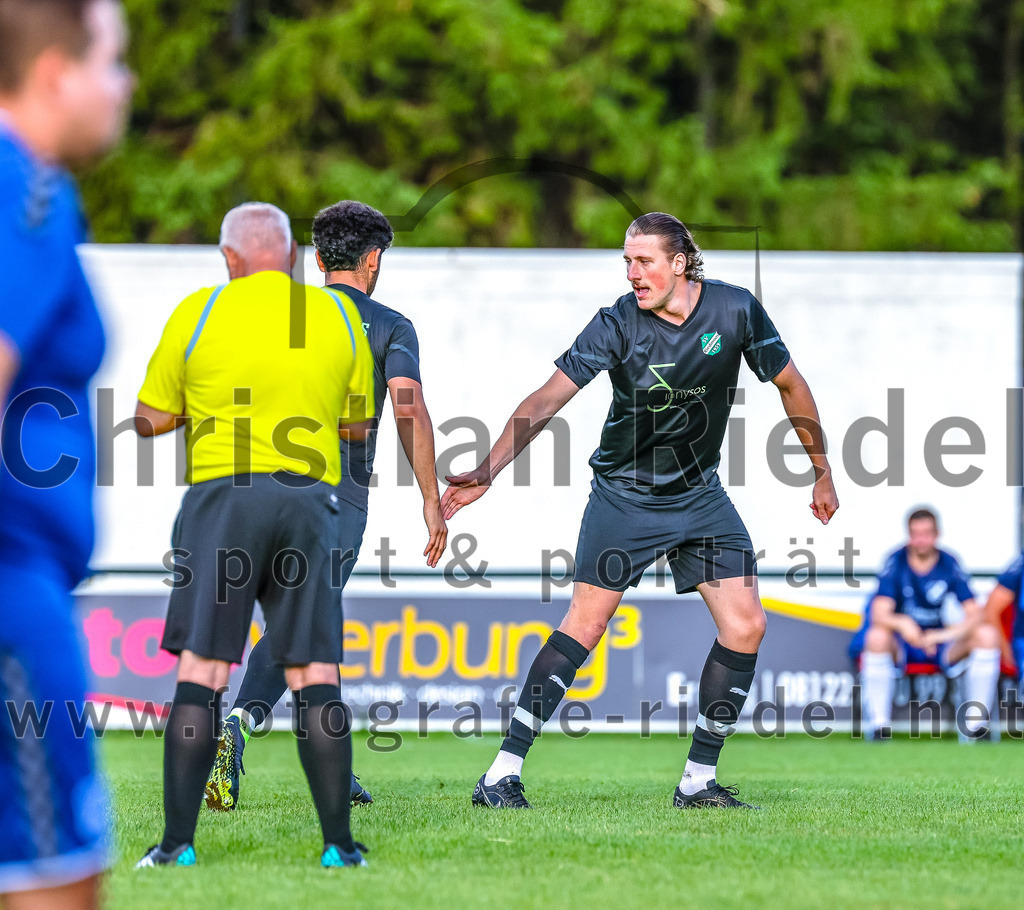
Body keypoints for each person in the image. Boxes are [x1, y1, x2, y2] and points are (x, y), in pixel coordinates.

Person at [442, 212, 838, 809]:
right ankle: (500, 773)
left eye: (643, 261)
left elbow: (791, 384)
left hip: (698, 496)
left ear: (680, 263)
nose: (633, 273)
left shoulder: (735, 312)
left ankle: (697, 782)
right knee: (586, 625)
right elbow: (547, 398)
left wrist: (822, 469)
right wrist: (489, 470)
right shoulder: (616, 323)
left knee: (746, 625)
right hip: (624, 495)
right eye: (626, 261)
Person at [133, 202, 375, 869]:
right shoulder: (334, 315)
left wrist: (200, 408)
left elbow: (147, 419)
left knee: (204, 672)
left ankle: (176, 848)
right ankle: (339, 849)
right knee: (314, 674)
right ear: (295, 254)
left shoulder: (200, 311)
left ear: (230, 259)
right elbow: (357, 424)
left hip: (224, 499)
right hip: (309, 499)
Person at [204, 200, 447, 812]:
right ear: (373, 261)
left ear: (316, 259)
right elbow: (409, 408)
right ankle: (236, 727)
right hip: (334, 492)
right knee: (305, 617)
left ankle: (336, 765)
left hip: (253, 478)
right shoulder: (390, 325)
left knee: (311, 615)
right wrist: (431, 498)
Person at [0, 1, 132, 906]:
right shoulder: (29, 191)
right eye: (114, 62)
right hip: (10, 596)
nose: (126, 87)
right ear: (56, 75)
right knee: (57, 884)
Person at [858, 508, 990, 741]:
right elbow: (879, 613)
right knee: (877, 637)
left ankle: (977, 727)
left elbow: (974, 614)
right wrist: (903, 623)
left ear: (937, 534)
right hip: (904, 644)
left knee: (986, 635)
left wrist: (941, 636)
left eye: (926, 533)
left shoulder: (949, 562)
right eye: (915, 534)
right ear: (908, 535)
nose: (921, 540)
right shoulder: (896, 560)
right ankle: (879, 728)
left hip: (940, 645)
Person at [962, 551, 1024, 738]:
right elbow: (991, 609)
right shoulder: (1019, 566)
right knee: (986, 636)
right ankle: (977, 728)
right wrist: (1007, 653)